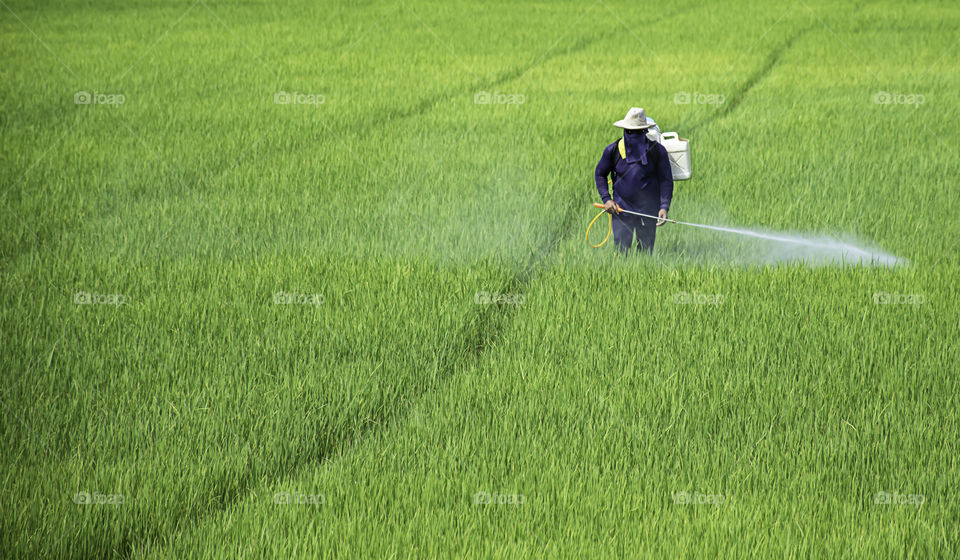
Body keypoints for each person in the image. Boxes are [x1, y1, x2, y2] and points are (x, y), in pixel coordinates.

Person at [594, 107, 674, 255]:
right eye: (629, 132)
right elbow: (600, 174)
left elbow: (666, 181)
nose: (632, 135)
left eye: (637, 132)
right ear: (624, 130)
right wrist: (607, 200)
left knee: (645, 254)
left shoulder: (657, 152)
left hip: (648, 211)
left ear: (645, 131)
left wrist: (664, 207)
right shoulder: (613, 151)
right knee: (620, 253)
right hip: (621, 210)